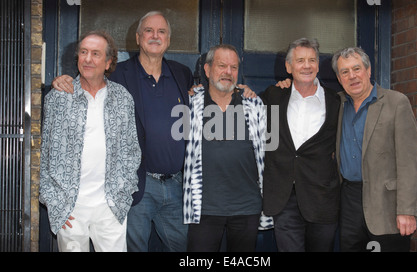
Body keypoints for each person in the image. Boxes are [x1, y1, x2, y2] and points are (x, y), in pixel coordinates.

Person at [52, 11, 192, 252]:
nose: (155, 36)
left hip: (176, 185)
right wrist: (63, 81)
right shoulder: (117, 74)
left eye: (161, 32)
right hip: (138, 185)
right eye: (149, 30)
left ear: (168, 39)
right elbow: (87, 82)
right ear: (137, 38)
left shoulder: (183, 74)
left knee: (181, 249)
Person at [40, 30, 141, 252]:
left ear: (108, 63)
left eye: (96, 54)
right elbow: (44, 152)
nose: (87, 59)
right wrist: (54, 202)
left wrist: (122, 196)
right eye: (83, 52)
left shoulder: (122, 98)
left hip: (110, 207)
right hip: (70, 207)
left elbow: (131, 151)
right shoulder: (58, 98)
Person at [183, 44, 273, 252]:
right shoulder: (190, 103)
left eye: (233, 67)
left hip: (247, 208)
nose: (228, 72)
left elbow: (271, 151)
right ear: (207, 70)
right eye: (222, 66)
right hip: (203, 208)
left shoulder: (254, 104)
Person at [332, 47, 417, 252]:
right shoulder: (337, 104)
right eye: (345, 72)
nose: (352, 76)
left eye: (356, 68)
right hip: (349, 200)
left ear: (368, 70)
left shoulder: (396, 102)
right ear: (338, 77)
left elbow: (409, 162)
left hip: (386, 204)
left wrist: (407, 210)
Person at [261, 38, 340, 252]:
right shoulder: (273, 95)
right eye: (300, 60)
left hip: (323, 200)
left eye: (312, 60)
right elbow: (242, 109)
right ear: (288, 67)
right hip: (283, 197)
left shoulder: (336, 101)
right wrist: (197, 94)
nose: (307, 65)